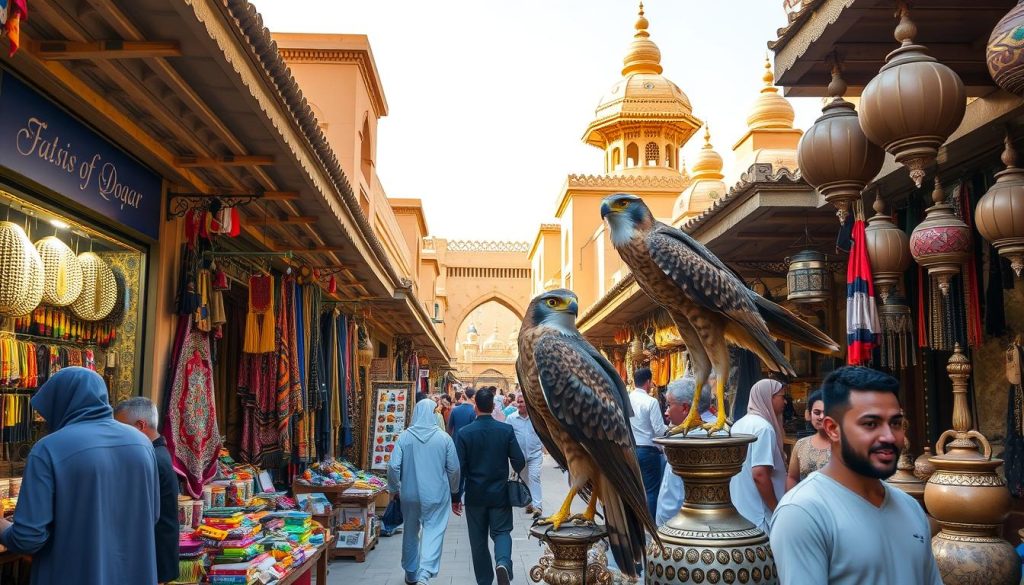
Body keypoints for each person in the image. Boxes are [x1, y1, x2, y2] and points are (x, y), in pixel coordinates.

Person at [771, 367, 942, 584]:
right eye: (870, 424)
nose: (889, 436)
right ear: (833, 429)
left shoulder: (910, 507)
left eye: (896, 423)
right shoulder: (804, 513)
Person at [0, 367, 160, 585]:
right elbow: (151, 515)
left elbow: (27, 538)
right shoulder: (141, 443)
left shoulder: (48, 449)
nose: (45, 420)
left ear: (61, 403)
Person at [455, 387, 526, 585]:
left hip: (475, 495)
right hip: (500, 493)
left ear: (475, 406)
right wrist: (513, 472)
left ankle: (485, 581)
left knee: (478, 541)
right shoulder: (505, 430)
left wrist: (455, 496)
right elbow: (519, 460)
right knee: (502, 532)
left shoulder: (464, 433)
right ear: (493, 406)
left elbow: (459, 468)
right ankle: (502, 562)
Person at [388, 398, 460, 585]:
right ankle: (425, 573)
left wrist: (395, 489)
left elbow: (393, 466)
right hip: (436, 495)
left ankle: (411, 573)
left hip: (409, 495)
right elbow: (454, 469)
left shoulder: (405, 437)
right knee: (434, 530)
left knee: (410, 531)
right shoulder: (444, 438)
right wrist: (455, 493)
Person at [114, 396, 180, 585]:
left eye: (121, 428)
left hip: (154, 558)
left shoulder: (151, 459)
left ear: (140, 425)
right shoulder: (156, 453)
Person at [655, 376, 717, 526]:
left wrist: (663, 526)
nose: (666, 412)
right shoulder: (722, 429)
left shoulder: (684, 439)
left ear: (685, 408)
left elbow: (672, 498)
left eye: (669, 405)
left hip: (685, 528)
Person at [729, 378, 787, 533]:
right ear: (768, 397)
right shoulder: (764, 428)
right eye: (782, 396)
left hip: (741, 510)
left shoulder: (738, 425)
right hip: (760, 514)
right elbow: (760, 475)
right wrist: (776, 510)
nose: (785, 402)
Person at [627, 367, 667, 521]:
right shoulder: (651, 402)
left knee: (635, 488)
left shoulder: (626, 399)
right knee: (651, 490)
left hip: (631, 449)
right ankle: (650, 523)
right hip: (648, 451)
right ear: (648, 382)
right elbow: (658, 430)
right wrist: (671, 429)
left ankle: (636, 521)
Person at [505, 393, 543, 518]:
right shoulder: (511, 418)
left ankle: (538, 507)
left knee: (534, 477)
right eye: (519, 402)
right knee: (524, 479)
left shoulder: (536, 418)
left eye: (522, 402)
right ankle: (529, 503)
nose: (520, 404)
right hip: (518, 457)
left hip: (535, 454)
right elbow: (507, 435)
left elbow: (542, 433)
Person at [786, 390, 830, 490]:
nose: (821, 417)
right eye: (817, 413)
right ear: (809, 414)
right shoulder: (801, 444)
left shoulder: (845, 445)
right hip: (805, 503)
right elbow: (792, 478)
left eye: (826, 412)